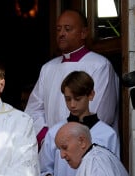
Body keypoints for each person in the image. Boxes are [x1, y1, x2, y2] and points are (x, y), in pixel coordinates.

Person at [24, 9, 119, 149]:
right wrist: (48, 137)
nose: (61, 34)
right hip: (52, 148)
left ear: (84, 33)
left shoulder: (100, 65)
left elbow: (101, 113)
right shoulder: (48, 68)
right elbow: (33, 110)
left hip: (88, 146)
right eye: (58, 29)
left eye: (67, 29)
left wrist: (70, 141)